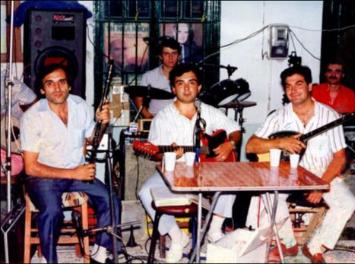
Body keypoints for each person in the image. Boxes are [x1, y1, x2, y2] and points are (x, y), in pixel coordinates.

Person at [245, 65, 355, 263]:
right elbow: (250, 146)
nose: (293, 90)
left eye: (298, 84)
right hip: (286, 176)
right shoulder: (278, 116)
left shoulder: (329, 116)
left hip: (323, 174)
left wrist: (321, 186)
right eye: (288, 86)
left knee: (348, 203)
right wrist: (279, 142)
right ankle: (288, 244)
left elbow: (340, 157)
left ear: (310, 86)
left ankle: (315, 247)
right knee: (268, 197)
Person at [138, 63, 241, 262]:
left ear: (199, 87)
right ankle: (178, 238)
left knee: (232, 178)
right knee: (145, 192)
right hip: (174, 172)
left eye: (191, 83)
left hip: (206, 171)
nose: (186, 88)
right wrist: (170, 155)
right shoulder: (163, 117)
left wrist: (230, 143)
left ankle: (214, 230)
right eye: (180, 83)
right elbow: (156, 153)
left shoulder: (209, 112)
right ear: (173, 88)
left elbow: (235, 129)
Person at [20, 63, 122, 263]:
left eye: (61, 82)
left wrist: (102, 122)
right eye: (50, 84)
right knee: (52, 211)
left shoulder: (79, 105)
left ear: (69, 86)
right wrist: (74, 173)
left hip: (77, 172)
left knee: (111, 200)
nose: (57, 88)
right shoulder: (32, 117)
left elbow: (93, 138)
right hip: (43, 177)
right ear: (42, 89)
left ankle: (100, 253)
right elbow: (31, 167)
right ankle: (49, 259)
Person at [134, 37, 181, 119]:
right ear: (160, 56)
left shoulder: (185, 76)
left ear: (179, 56)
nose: (171, 57)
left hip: (179, 119)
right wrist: (148, 116)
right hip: (156, 119)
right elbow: (138, 99)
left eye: (174, 53)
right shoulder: (149, 76)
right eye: (166, 54)